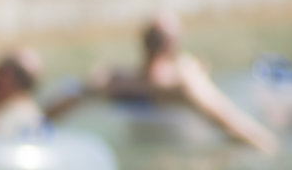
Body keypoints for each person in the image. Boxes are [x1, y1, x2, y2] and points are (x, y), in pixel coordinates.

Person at [44, 15, 278, 153]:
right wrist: (265, 143)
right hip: (178, 149)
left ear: (143, 44)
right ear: (172, 46)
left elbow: (65, 101)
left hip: (137, 145)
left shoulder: (116, 81)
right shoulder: (183, 83)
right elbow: (229, 120)